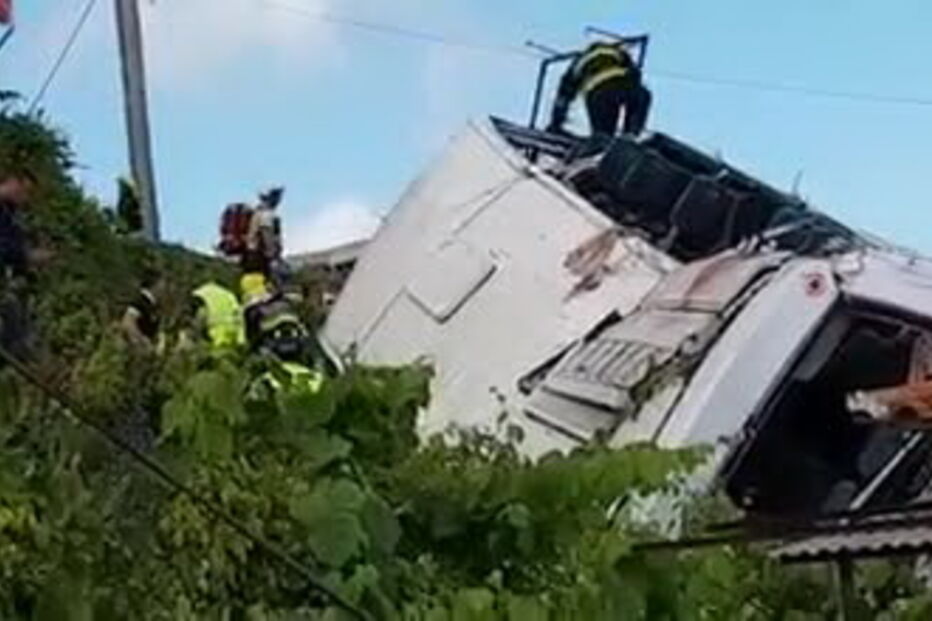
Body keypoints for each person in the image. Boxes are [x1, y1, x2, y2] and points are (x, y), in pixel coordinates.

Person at [548, 40, 652, 140]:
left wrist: (556, 123)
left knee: (604, 136)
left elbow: (563, 96)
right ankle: (630, 134)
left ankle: (604, 142)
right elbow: (635, 73)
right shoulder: (616, 51)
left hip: (596, 96)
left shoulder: (578, 62)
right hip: (622, 85)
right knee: (642, 96)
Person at [0, 170, 37, 361]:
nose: (25, 199)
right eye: (24, 192)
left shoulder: (10, 214)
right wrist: (27, 256)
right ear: (13, 183)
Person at [190, 281, 245, 352]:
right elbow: (239, 316)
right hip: (232, 336)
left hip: (214, 335)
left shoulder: (201, 295)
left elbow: (200, 317)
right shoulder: (229, 295)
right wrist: (241, 340)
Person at [121, 266, 163, 349]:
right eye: (161, 283)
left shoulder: (152, 304)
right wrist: (142, 342)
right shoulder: (140, 301)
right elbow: (128, 323)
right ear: (155, 284)